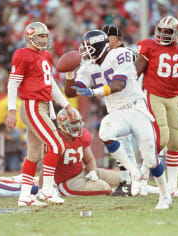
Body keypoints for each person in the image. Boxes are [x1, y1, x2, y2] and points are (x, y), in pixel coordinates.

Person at [65, 30, 171, 209]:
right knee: (105, 131)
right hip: (117, 113)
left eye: (88, 49)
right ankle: (133, 172)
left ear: (99, 47)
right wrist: (69, 74)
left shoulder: (120, 54)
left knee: (151, 159)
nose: (85, 53)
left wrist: (94, 92)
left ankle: (165, 195)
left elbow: (119, 84)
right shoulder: (88, 66)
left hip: (136, 109)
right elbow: (70, 92)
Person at [5, 22, 76, 206]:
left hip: (44, 105)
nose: (44, 39)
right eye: (40, 36)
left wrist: (66, 106)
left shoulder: (46, 55)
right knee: (56, 145)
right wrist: (11, 110)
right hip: (32, 105)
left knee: (34, 154)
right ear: (30, 37)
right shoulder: (22, 55)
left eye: (45, 36)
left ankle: (25, 196)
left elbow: (50, 84)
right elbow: (13, 83)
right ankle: (47, 190)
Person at [135, 16, 178, 197]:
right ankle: (141, 179)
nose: (163, 34)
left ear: (176, 33)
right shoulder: (148, 46)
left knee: (175, 143)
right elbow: (135, 72)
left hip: (173, 97)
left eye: (168, 31)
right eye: (161, 30)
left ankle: (172, 187)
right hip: (153, 94)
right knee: (161, 138)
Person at [101, 24, 136, 196]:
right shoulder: (124, 53)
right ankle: (131, 180)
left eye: (104, 40)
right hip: (126, 103)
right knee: (123, 143)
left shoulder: (121, 53)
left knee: (123, 143)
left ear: (113, 39)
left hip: (128, 103)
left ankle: (129, 180)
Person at [54, 107, 121, 196]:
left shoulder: (81, 137)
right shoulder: (56, 141)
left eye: (78, 122)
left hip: (83, 173)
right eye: (72, 124)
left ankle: (140, 185)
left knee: (122, 177)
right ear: (63, 127)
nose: (77, 127)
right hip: (68, 183)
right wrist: (42, 189)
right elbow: (46, 167)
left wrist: (92, 172)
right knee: (104, 187)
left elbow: (89, 160)